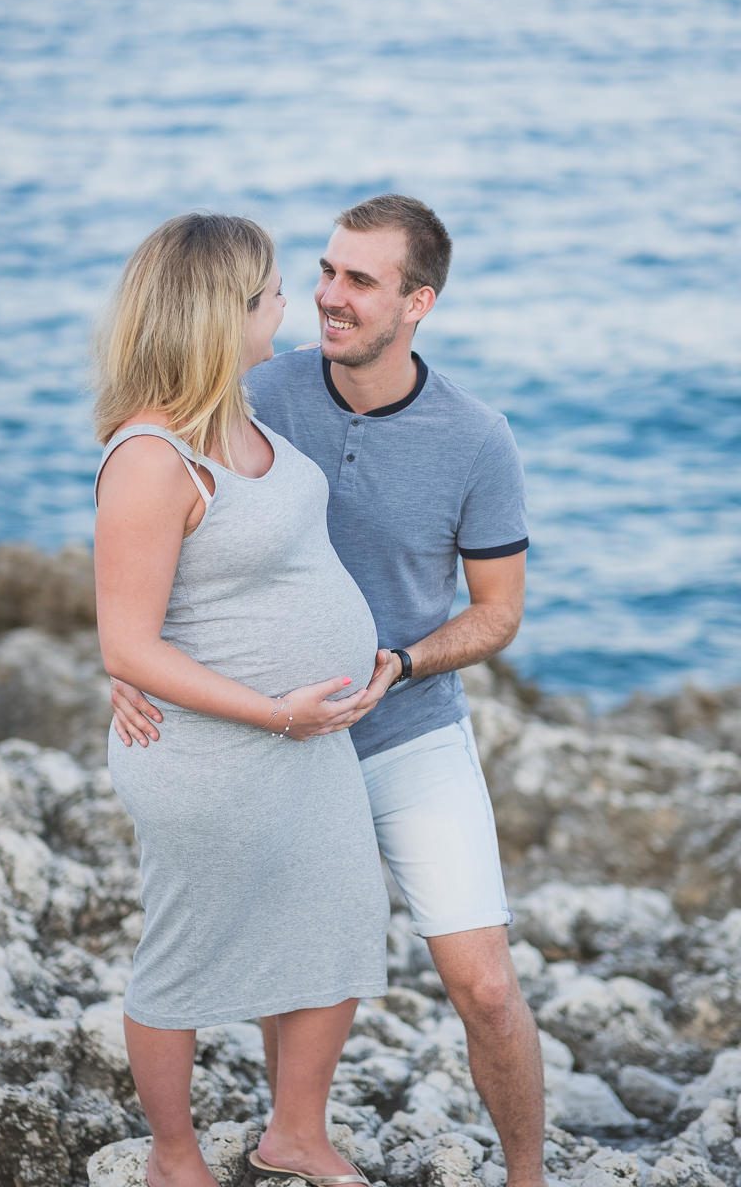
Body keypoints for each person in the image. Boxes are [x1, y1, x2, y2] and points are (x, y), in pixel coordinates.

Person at [112, 196, 547, 1187]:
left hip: (406, 729)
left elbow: (496, 613)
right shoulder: (258, 385)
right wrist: (120, 659)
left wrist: (402, 662)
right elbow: (147, 506)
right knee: (292, 953)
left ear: (417, 301)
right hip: (270, 738)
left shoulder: (477, 438)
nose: (326, 298)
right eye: (321, 272)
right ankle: (289, 1136)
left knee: (481, 982)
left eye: (359, 282)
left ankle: (526, 1175)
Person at [93, 212, 391, 1187]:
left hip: (307, 739)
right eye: (269, 291)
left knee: (339, 916)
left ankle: (294, 1132)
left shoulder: (241, 409)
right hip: (214, 751)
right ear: (222, 313)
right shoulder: (149, 456)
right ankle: (174, 1158)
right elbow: (125, 636)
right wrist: (276, 712)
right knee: (187, 950)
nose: (288, 301)